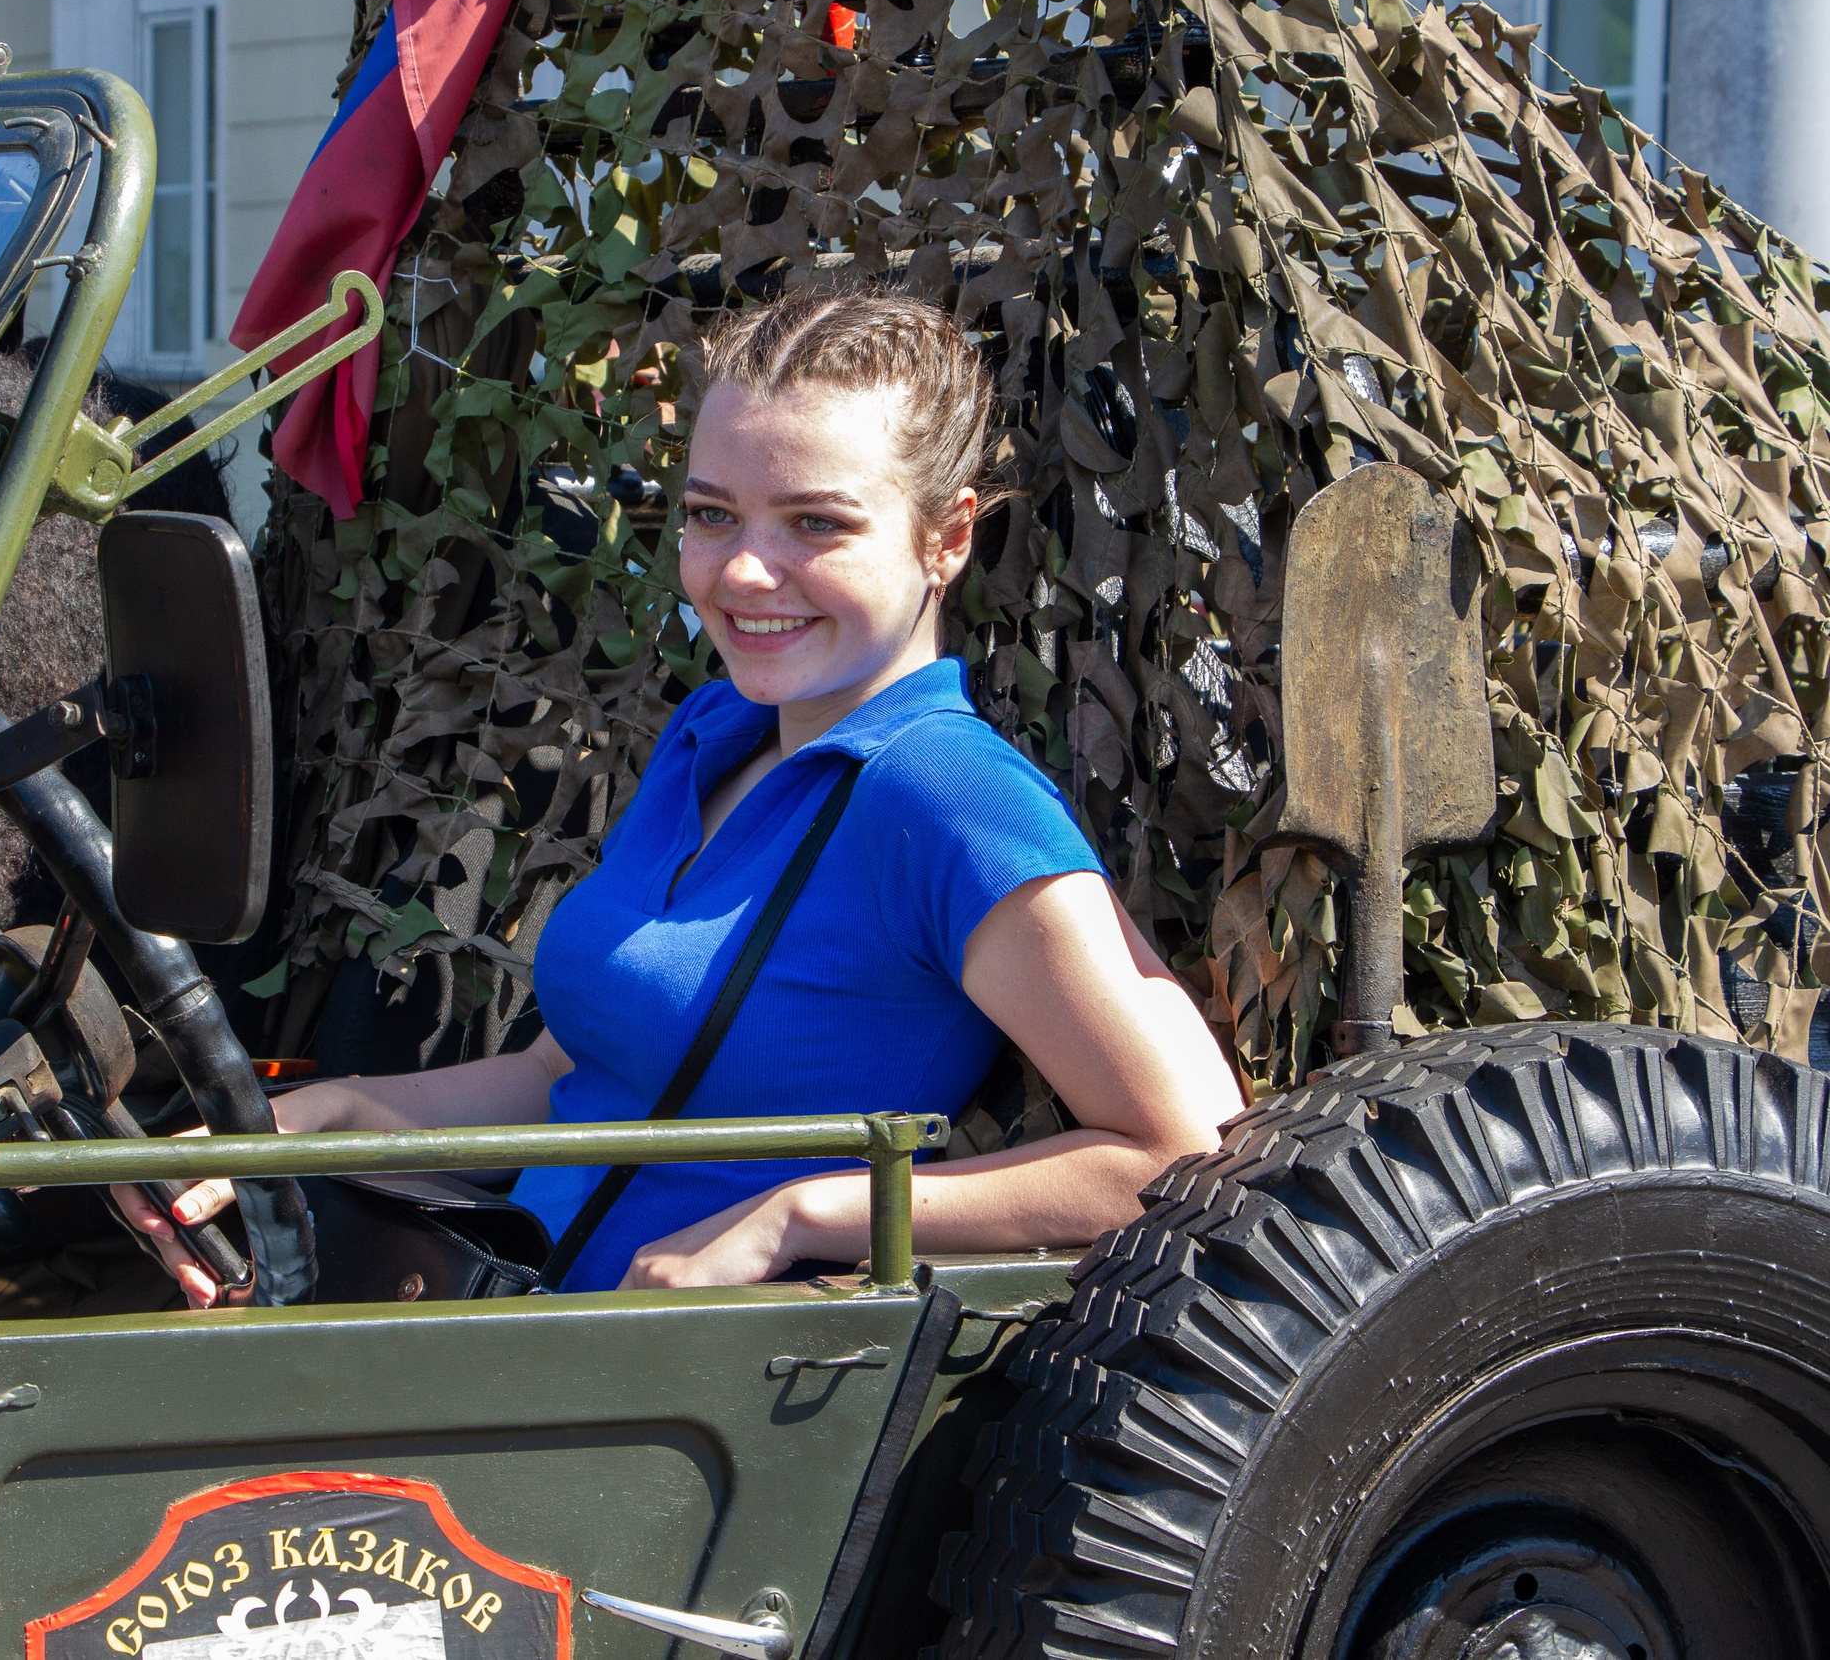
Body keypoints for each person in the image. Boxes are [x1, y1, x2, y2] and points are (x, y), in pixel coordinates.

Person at [119, 288, 1244, 1304]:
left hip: (702, 1422)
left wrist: (799, 1217)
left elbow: (1184, 1151)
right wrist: (340, 1115)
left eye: (815, 523)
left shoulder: (947, 796)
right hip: (513, 1336)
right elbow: (581, 1075)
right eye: (712, 514)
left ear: (945, 537)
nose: (742, 573)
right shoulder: (713, 736)